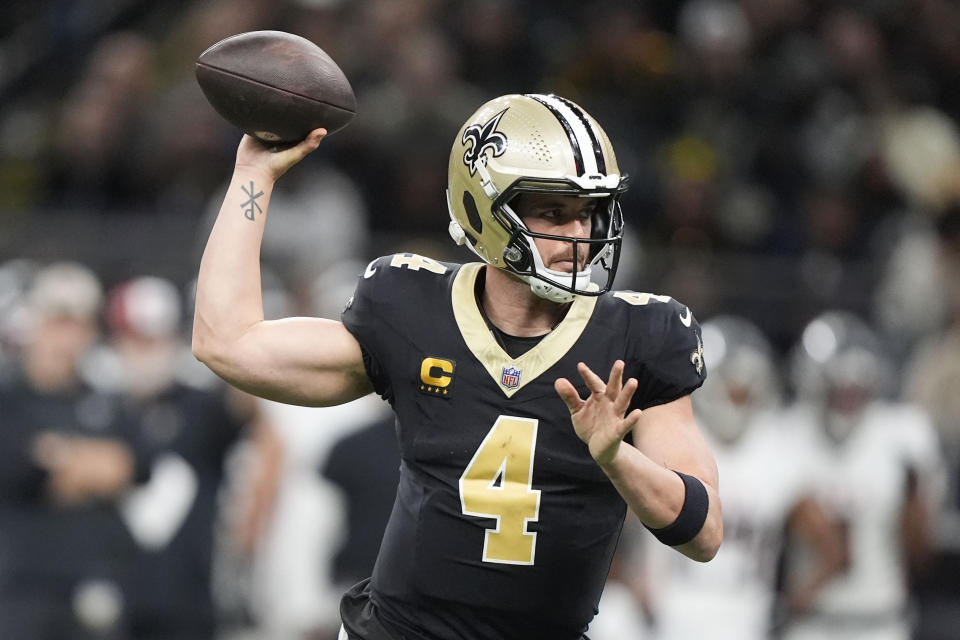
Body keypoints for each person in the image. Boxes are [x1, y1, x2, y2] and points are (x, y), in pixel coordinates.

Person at [193, 93, 723, 640]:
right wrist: (252, 175)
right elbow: (227, 343)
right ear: (484, 209)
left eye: (589, 212)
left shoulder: (640, 337)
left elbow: (704, 534)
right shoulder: (412, 309)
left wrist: (616, 459)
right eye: (553, 212)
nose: (578, 237)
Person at [641, 315, 845, 640]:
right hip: (672, 613)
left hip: (746, 617)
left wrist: (791, 605)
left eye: (746, 390)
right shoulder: (672, 437)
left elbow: (833, 549)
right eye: (733, 388)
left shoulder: (777, 450)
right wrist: (641, 592)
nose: (739, 397)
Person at [0, 262, 145, 640]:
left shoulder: (107, 400)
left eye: (76, 323)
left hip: (93, 583)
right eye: (56, 321)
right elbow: (15, 469)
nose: (65, 337)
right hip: (18, 586)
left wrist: (55, 456)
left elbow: (126, 469)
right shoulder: (8, 396)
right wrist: (86, 462)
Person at [781, 311, 943, 640]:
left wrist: (914, 493)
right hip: (811, 623)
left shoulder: (900, 436)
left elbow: (922, 552)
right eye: (839, 388)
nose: (848, 398)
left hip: (881, 622)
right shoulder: (789, 433)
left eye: (855, 388)